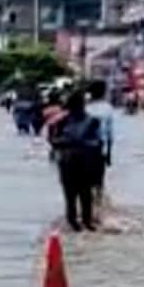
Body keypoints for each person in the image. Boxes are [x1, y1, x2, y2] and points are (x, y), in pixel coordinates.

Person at [48, 90, 105, 231]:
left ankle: (81, 221)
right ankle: (79, 222)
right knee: (77, 195)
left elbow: (99, 143)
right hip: (75, 162)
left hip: (78, 163)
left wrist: (74, 142)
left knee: (79, 195)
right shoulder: (63, 121)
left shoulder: (92, 121)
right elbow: (52, 140)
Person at [85, 80, 116, 194]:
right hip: (99, 147)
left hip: (83, 148)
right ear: (103, 92)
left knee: (86, 180)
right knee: (99, 180)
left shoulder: (85, 107)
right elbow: (110, 134)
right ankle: (99, 202)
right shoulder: (107, 108)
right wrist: (108, 154)